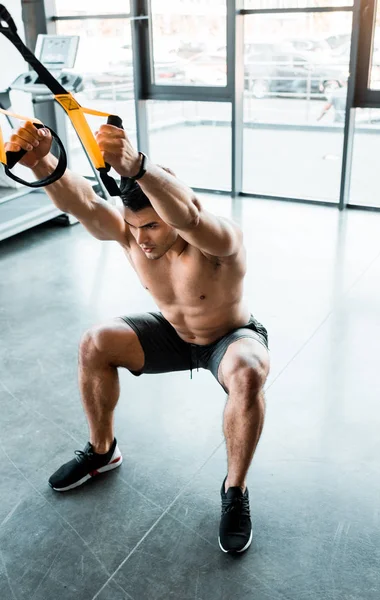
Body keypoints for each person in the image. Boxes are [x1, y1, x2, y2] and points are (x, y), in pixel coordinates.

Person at [5, 121, 270, 554]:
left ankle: (235, 491)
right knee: (96, 341)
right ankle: (102, 450)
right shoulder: (132, 236)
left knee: (247, 372)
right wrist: (42, 164)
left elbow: (192, 216)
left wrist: (138, 166)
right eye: (135, 225)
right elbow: (87, 204)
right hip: (173, 332)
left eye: (152, 226)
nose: (141, 239)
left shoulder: (218, 243)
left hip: (229, 336)